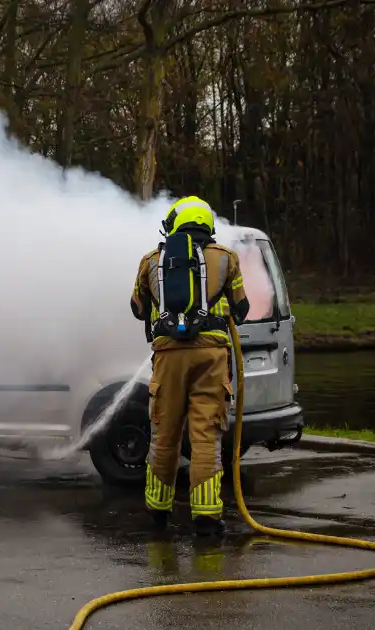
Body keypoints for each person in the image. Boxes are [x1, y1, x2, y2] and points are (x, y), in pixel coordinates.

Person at [129, 196, 250, 536]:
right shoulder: (226, 259)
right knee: (205, 437)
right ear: (208, 226)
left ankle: (157, 512)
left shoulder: (152, 260)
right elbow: (241, 309)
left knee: (164, 437)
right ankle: (207, 519)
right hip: (211, 358)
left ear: (173, 226)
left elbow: (138, 308)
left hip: (168, 358)